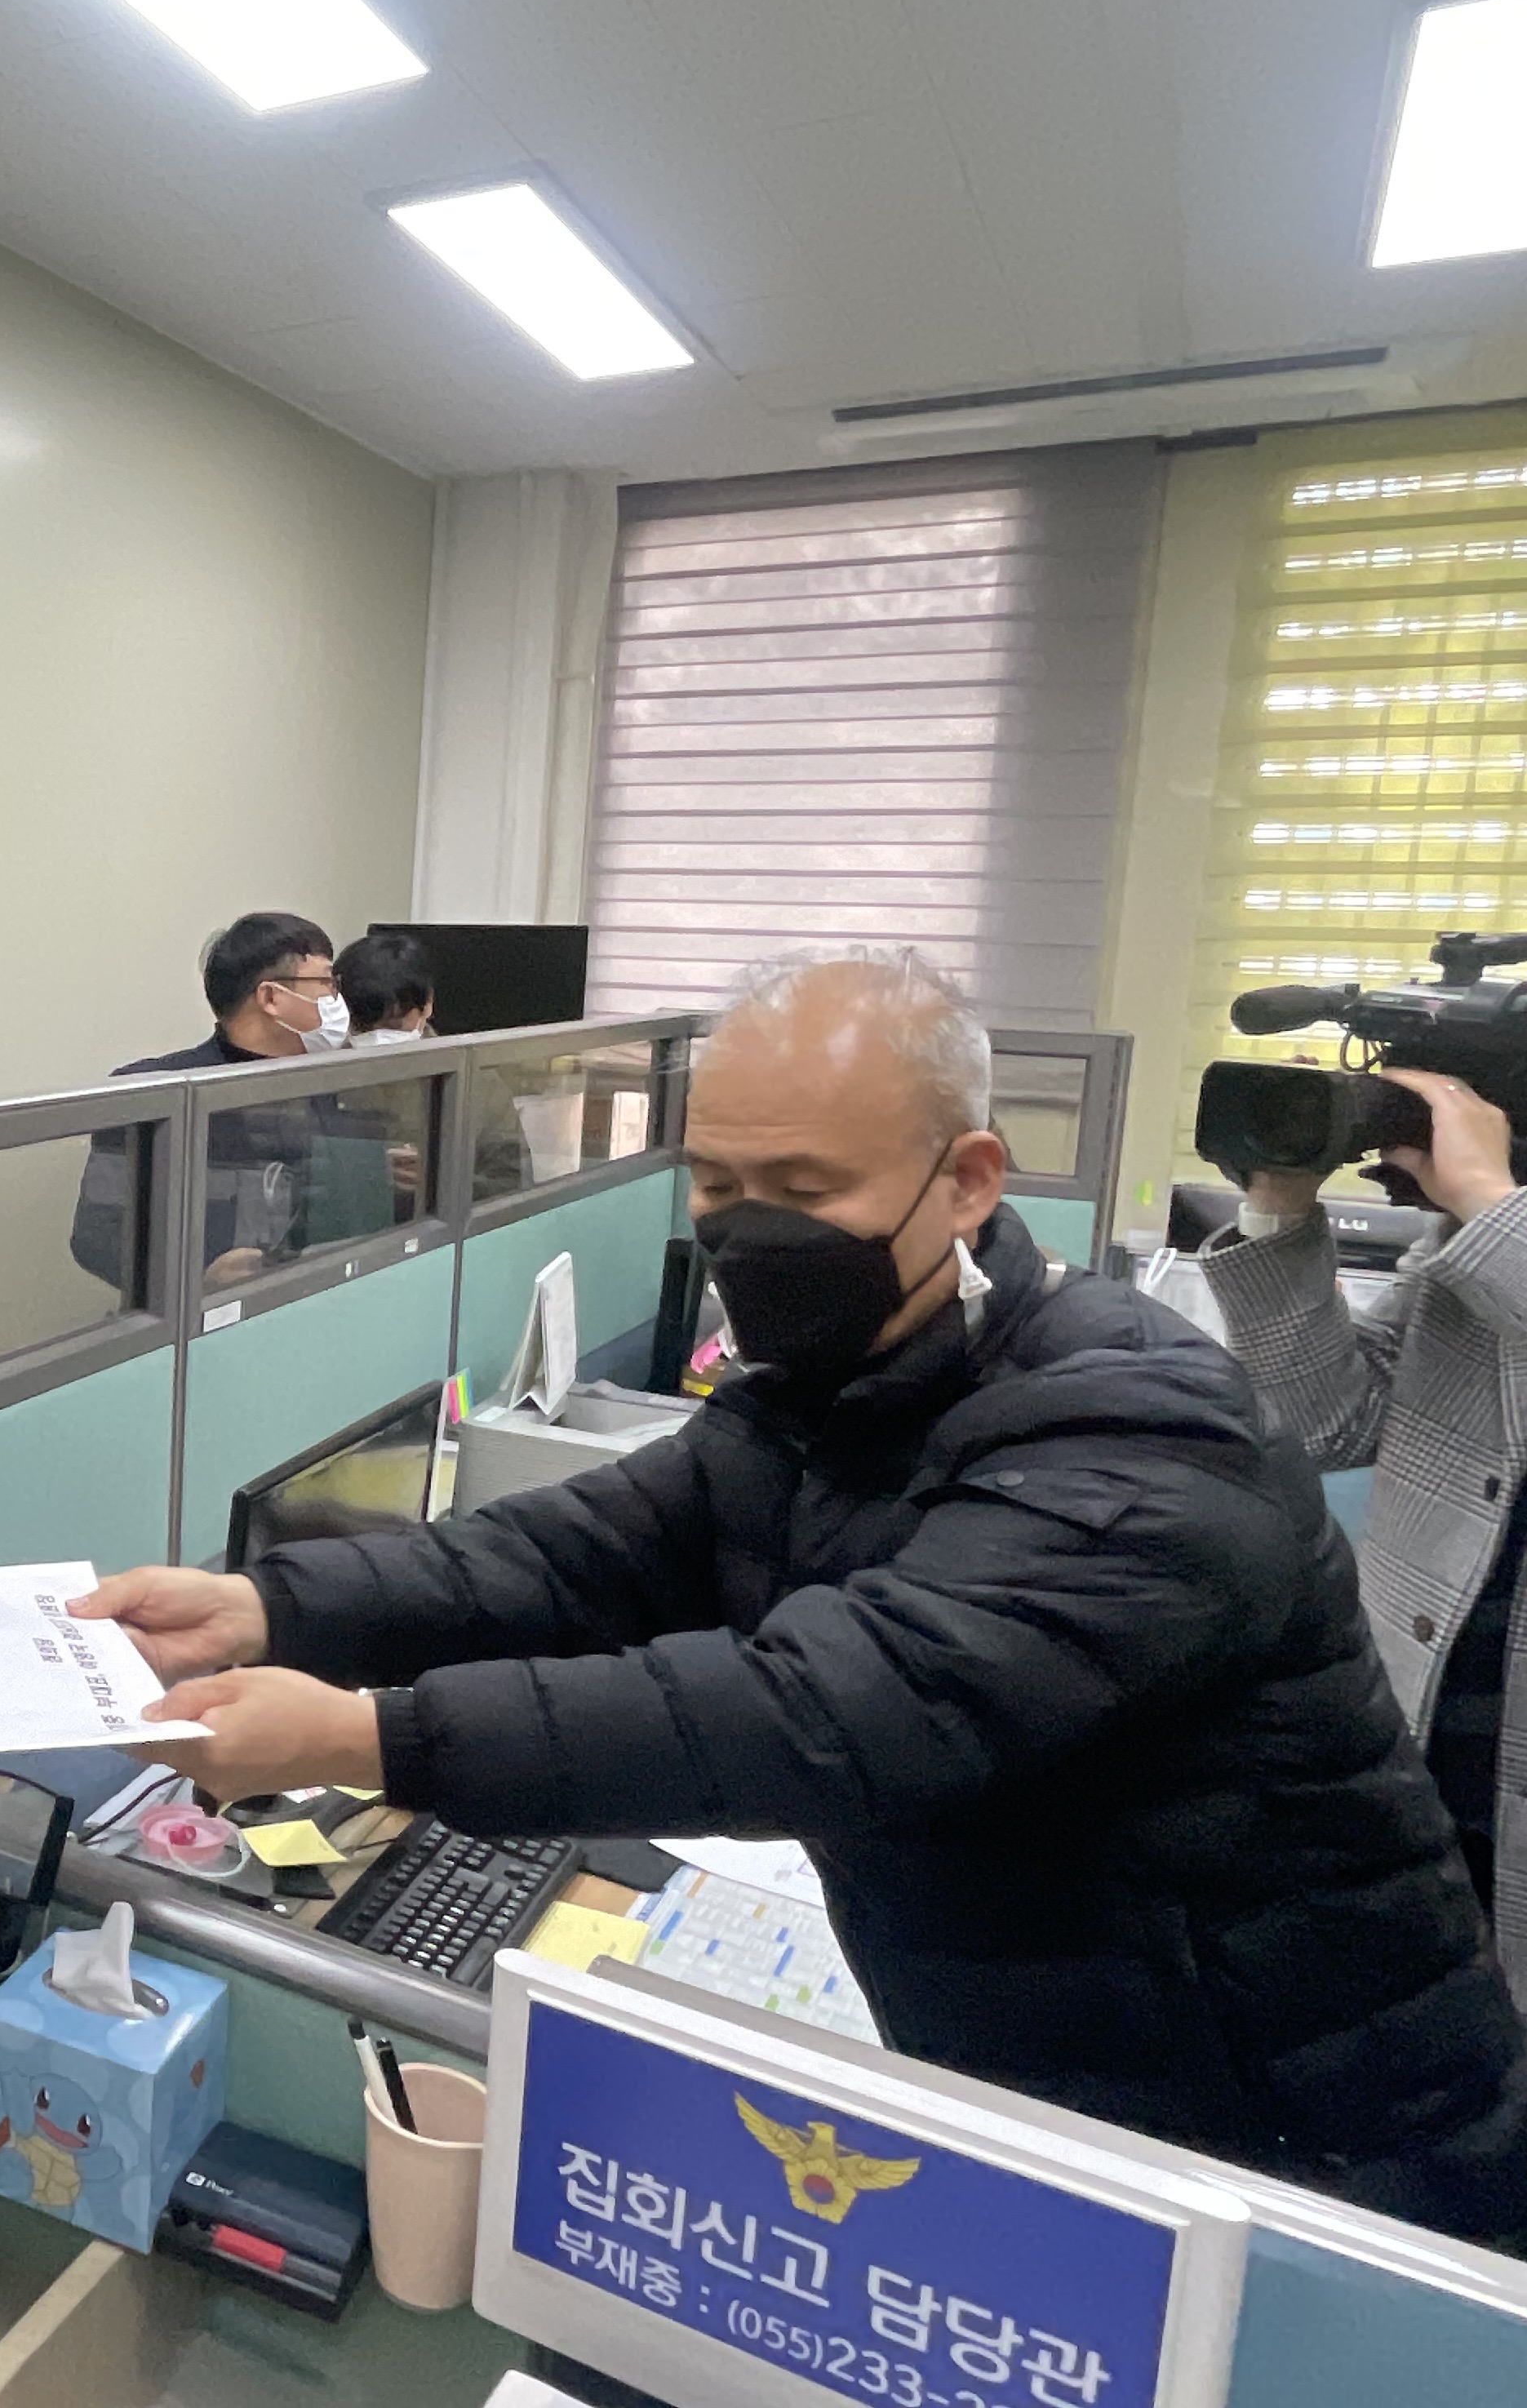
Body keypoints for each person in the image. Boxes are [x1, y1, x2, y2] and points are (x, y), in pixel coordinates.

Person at [78, 948, 1527, 2242]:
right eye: (716, 1186)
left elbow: (828, 1710)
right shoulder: (832, 1385)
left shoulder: (1130, 1424)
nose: (746, 1232)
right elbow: (579, 1548)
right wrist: (266, 1606)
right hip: (1052, 2087)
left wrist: (368, 1736)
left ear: (966, 1178)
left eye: (804, 1192)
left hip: (1311, 2146)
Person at [1201, 1068, 1527, 2001]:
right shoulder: (1469, 1249)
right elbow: (1331, 1426)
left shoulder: (1497, 1233)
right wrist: (1280, 1204)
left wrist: (1492, 1207)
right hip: (1420, 1765)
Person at [70, 913, 347, 1290]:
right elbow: (97, 1238)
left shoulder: (328, 1085)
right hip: (199, 1326)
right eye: (326, 982)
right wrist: (196, 1276)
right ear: (271, 997)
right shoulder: (156, 1098)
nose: (336, 999)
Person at [335, 928, 433, 1043]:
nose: (377, 1037)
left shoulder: (452, 1059)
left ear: (428, 1005)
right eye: (362, 1027)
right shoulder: (324, 1056)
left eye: (393, 1026)